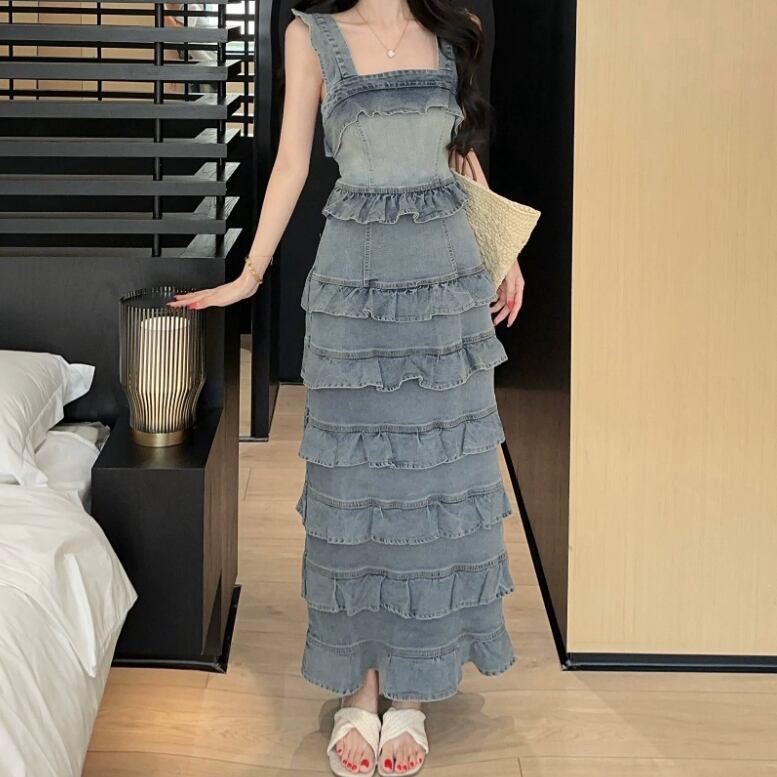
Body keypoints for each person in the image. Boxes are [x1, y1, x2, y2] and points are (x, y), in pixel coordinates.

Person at [168, 1, 525, 774]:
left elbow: (459, 153)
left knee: (432, 484)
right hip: (354, 287)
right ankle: (361, 690)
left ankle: (413, 691)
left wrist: (504, 254)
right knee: (355, 489)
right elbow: (292, 163)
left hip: (445, 284)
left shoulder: (455, 28)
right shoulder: (310, 36)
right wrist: (249, 276)